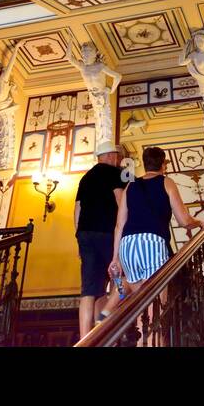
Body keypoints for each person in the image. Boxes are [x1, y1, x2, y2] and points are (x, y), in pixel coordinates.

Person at [111, 146, 204, 291]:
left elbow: (119, 225)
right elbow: (184, 221)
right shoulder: (166, 182)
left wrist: (115, 258)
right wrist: (200, 223)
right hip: (152, 243)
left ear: (144, 164)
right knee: (155, 302)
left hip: (127, 245)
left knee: (139, 303)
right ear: (163, 165)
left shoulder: (130, 185)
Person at [74, 142, 127, 337]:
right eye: (117, 156)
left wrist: (79, 237)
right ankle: (109, 327)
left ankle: (86, 339)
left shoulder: (85, 178)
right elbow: (121, 201)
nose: (118, 160)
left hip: (85, 235)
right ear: (112, 156)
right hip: (108, 234)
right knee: (118, 279)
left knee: (89, 290)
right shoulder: (115, 173)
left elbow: (77, 209)